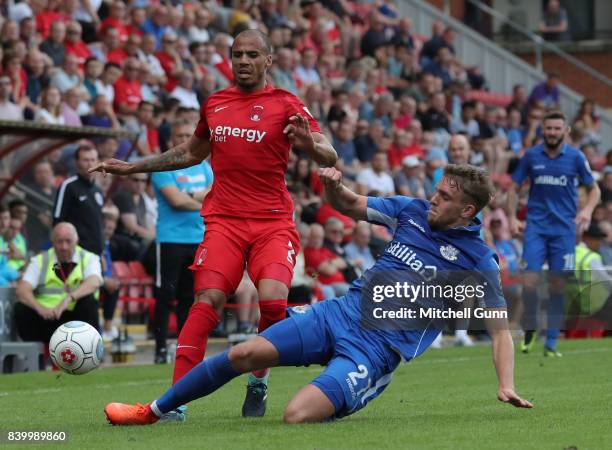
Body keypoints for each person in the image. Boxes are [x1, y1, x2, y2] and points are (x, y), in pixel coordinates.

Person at [104, 163, 533, 426]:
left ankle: (345, 392)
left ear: (467, 211)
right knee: (241, 354)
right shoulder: (412, 212)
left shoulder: (478, 261)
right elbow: (348, 203)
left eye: (444, 197)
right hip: (340, 313)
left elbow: (499, 333)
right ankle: (153, 411)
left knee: (296, 415)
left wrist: (506, 385)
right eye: (437, 190)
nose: (433, 198)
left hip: (377, 349)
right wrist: (331, 185)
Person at [90, 29, 337, 419]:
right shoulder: (216, 103)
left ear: (268, 60)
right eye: (237, 54)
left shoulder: (287, 104)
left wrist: (309, 142)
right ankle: (176, 403)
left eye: (252, 54)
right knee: (206, 302)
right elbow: (191, 152)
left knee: (273, 301)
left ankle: (259, 379)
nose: (243, 61)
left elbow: (329, 153)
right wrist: (136, 166)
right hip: (223, 220)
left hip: (272, 222)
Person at [508, 111, 601, 356]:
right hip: (535, 229)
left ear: (565, 130)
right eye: (548, 128)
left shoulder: (576, 158)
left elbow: (594, 190)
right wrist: (510, 217)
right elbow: (513, 188)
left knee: (558, 285)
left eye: (556, 128)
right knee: (529, 282)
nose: (552, 132)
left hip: (563, 232)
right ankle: (530, 327)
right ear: (543, 130)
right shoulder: (530, 156)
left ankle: (550, 342)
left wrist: (589, 210)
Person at [151, 119, 214, 364]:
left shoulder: (203, 165)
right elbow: (176, 202)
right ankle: (159, 348)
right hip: (170, 240)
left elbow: (213, 193)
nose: (184, 139)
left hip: (198, 239)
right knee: (165, 296)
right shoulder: (163, 166)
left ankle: (182, 347)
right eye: (180, 135)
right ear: (170, 140)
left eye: (189, 134)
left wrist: (188, 196)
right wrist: (200, 199)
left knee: (189, 297)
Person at [13, 222, 102, 344]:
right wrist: (40, 309)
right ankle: (36, 356)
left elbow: (94, 281)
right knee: (21, 308)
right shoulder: (40, 260)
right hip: (47, 317)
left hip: (75, 319)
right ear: (52, 242)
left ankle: (88, 350)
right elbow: (22, 290)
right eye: (59, 241)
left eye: (68, 241)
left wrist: (68, 299)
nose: (64, 246)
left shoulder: (89, 258)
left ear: (77, 241)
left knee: (89, 302)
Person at [53, 144, 105, 256]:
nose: (90, 164)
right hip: (76, 253)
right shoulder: (68, 186)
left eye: (93, 160)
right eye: (85, 160)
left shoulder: (97, 190)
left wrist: (101, 252)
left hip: (95, 254)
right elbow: (57, 220)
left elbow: (98, 224)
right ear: (77, 163)